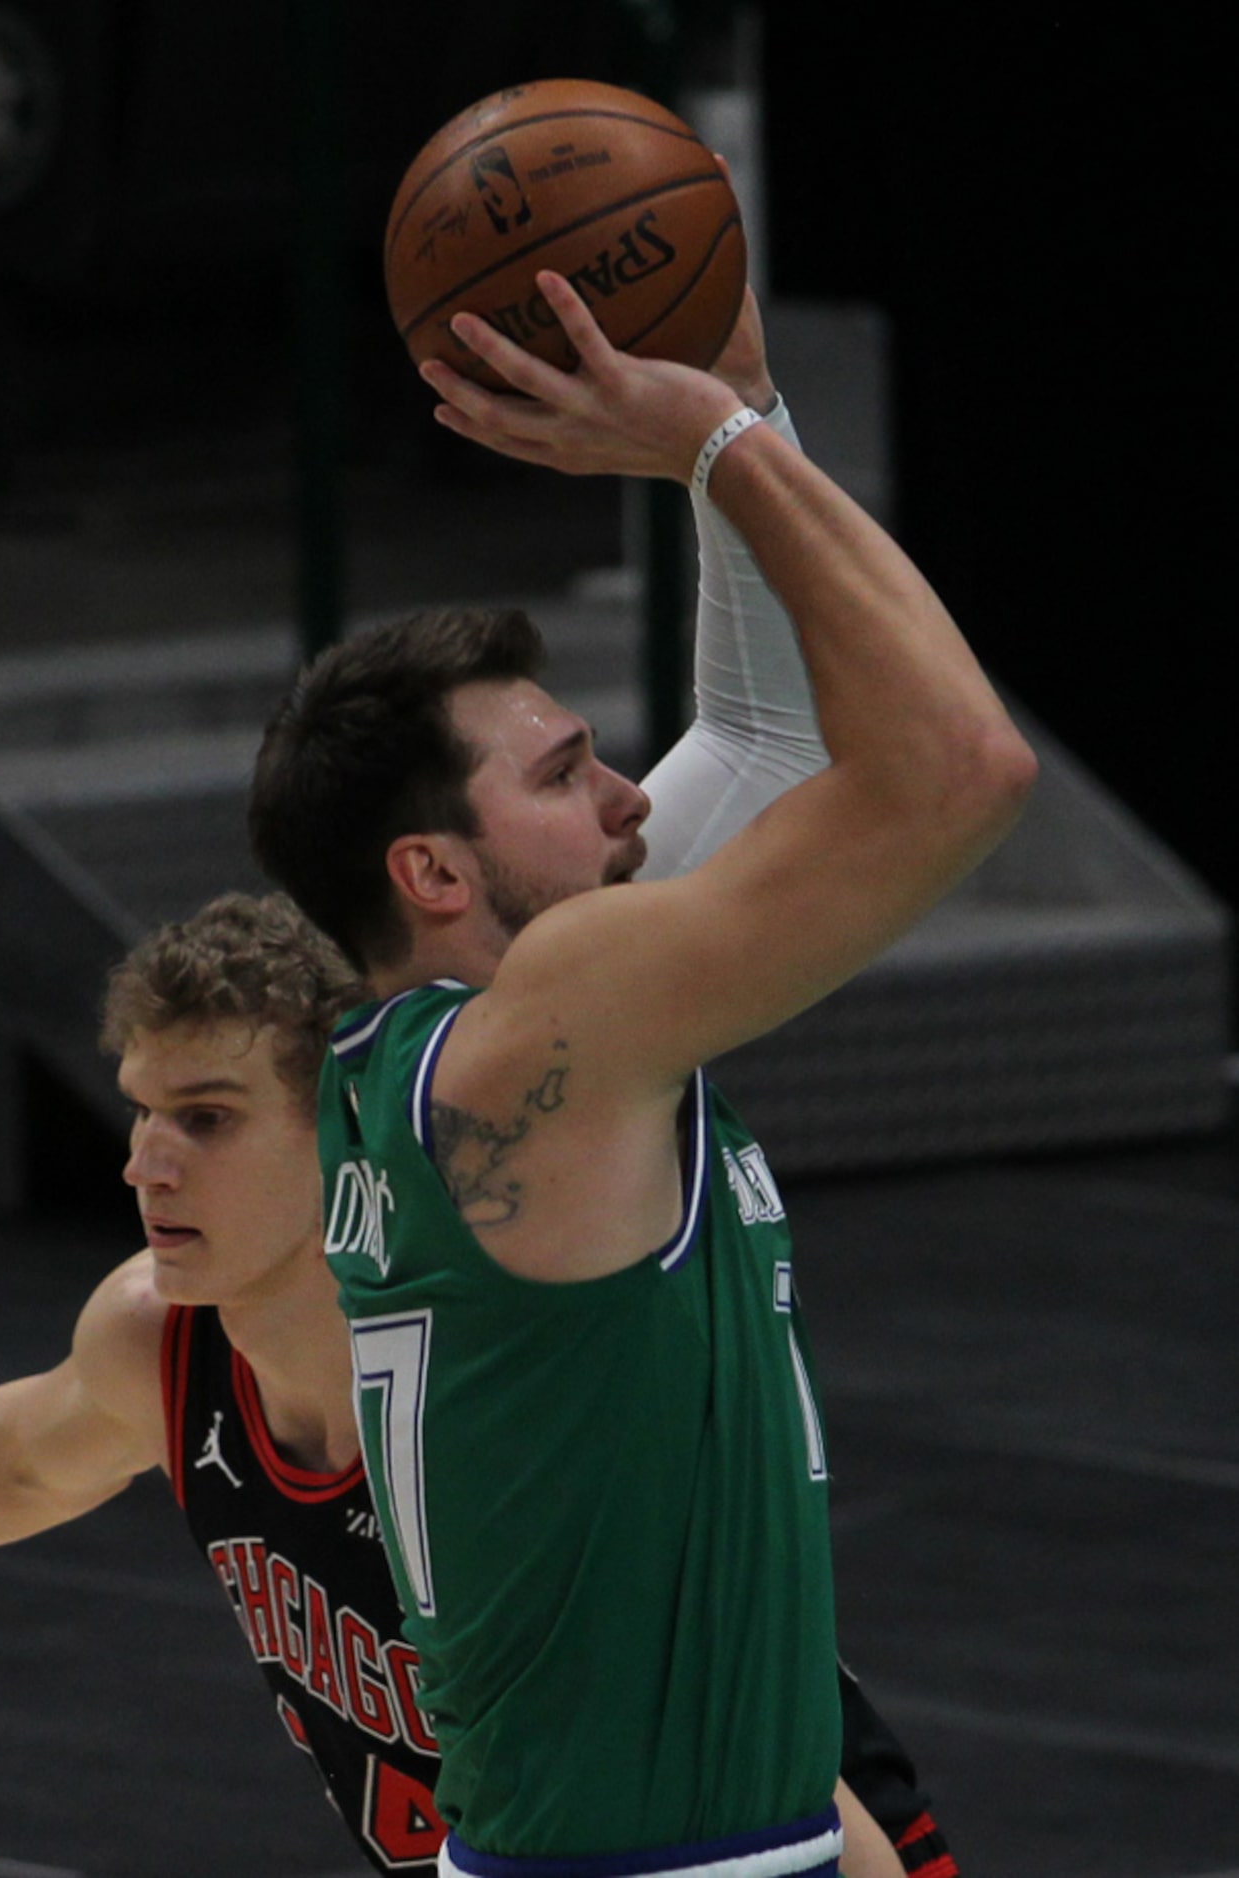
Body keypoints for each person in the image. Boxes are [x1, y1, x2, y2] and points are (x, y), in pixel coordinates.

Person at [0, 898, 951, 1877]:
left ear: (344, 1129)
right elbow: (31, 1452)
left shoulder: (496, 1398)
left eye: (205, 1120)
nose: (145, 1161)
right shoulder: (163, 1337)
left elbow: (765, 1786)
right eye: (143, 1112)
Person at [248, 270, 1034, 1878]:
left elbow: (761, 738)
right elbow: (963, 766)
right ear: (435, 871)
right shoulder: (552, 1030)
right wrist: (721, 441)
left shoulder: (434, 1051)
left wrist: (745, 405)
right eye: (565, 773)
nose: (625, 798)